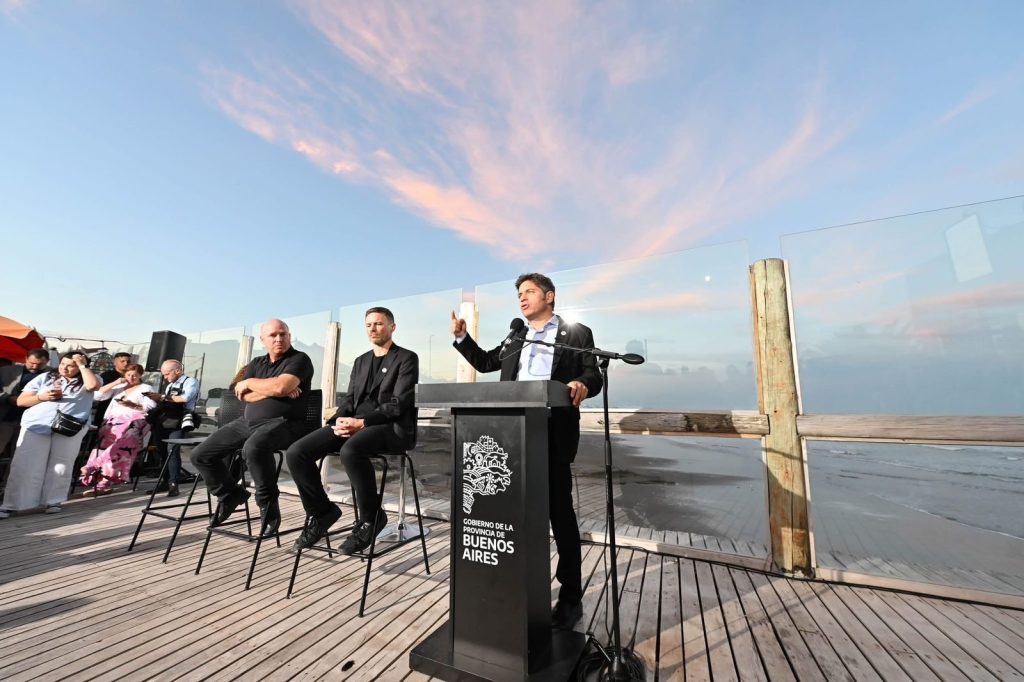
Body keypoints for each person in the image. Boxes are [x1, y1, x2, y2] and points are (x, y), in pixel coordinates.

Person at [450, 273, 601, 629]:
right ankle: (513, 587)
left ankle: (570, 597)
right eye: (519, 293)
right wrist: (461, 337)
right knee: (509, 514)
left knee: (560, 515)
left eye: (529, 291)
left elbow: (593, 374)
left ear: (549, 296)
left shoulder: (576, 333)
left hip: (552, 430)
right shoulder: (516, 335)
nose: (522, 297)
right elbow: (486, 362)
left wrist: (581, 383)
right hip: (509, 434)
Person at [286, 307, 418, 554]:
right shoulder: (361, 361)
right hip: (355, 425)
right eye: (368, 325)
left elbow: (399, 403)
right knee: (297, 452)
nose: (373, 329)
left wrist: (363, 422)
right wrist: (339, 420)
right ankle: (322, 512)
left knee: (350, 450)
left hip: (389, 427)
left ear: (392, 327)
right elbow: (349, 400)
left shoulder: (406, 358)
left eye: (379, 324)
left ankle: (371, 518)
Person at [190, 319, 313, 537]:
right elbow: (243, 395)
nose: (279, 339)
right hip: (247, 422)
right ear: (263, 340)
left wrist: (251, 383)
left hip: (285, 422)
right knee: (200, 455)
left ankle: (268, 505)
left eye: (283, 334)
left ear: (289, 336)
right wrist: (270, 388)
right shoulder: (257, 363)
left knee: (254, 448)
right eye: (273, 335)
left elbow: (280, 386)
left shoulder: (299, 359)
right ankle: (230, 495)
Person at [0, 351, 101, 517]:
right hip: (37, 424)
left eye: (71, 366)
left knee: (61, 464)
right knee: (24, 464)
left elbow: (92, 386)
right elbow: (21, 401)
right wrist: (42, 397)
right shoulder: (46, 377)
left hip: (69, 427)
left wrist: (83, 365)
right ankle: (12, 503)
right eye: (63, 364)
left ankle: (53, 500)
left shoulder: (90, 377)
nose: (65, 368)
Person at [79, 363, 157, 494]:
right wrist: (115, 382)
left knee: (119, 449)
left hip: (133, 421)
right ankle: (98, 478)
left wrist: (131, 405)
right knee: (103, 447)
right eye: (128, 375)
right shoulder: (120, 387)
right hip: (113, 422)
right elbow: (98, 395)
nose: (131, 378)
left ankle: (97, 472)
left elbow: (150, 406)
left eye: (134, 375)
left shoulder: (146, 388)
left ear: (140, 375)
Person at [142, 360, 200, 497]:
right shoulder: (170, 385)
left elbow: (185, 398)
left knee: (172, 450)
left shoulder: (190, 382)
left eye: (167, 374)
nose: (165, 377)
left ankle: (174, 483)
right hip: (165, 420)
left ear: (177, 370)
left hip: (180, 420)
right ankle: (165, 482)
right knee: (162, 451)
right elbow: (167, 401)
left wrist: (162, 397)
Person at [0, 348, 51, 457]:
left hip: (31, 423)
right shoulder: (6, 371)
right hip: (5, 418)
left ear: (47, 361)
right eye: (32, 363)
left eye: (40, 364)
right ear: (26, 359)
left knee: (19, 455)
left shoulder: (53, 375)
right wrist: (7, 398)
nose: (35, 367)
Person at [93, 351, 131, 425]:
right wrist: (116, 383)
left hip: (125, 413)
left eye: (128, 361)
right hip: (106, 410)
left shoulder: (132, 376)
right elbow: (100, 393)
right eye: (122, 361)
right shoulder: (107, 375)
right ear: (114, 362)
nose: (126, 363)